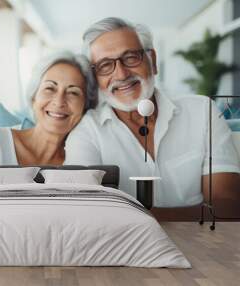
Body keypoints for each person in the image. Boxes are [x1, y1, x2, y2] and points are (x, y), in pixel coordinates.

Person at [64, 17, 240, 209]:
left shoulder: (203, 112)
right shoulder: (86, 133)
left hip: (205, 240)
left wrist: (138, 218)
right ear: (95, 78)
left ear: (153, 61)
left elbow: (226, 206)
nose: (122, 75)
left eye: (131, 57)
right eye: (105, 65)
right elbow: (84, 211)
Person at [0, 51, 95, 177]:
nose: (59, 102)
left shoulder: (81, 161)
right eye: (50, 88)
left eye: (73, 92)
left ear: (85, 107)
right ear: (34, 98)